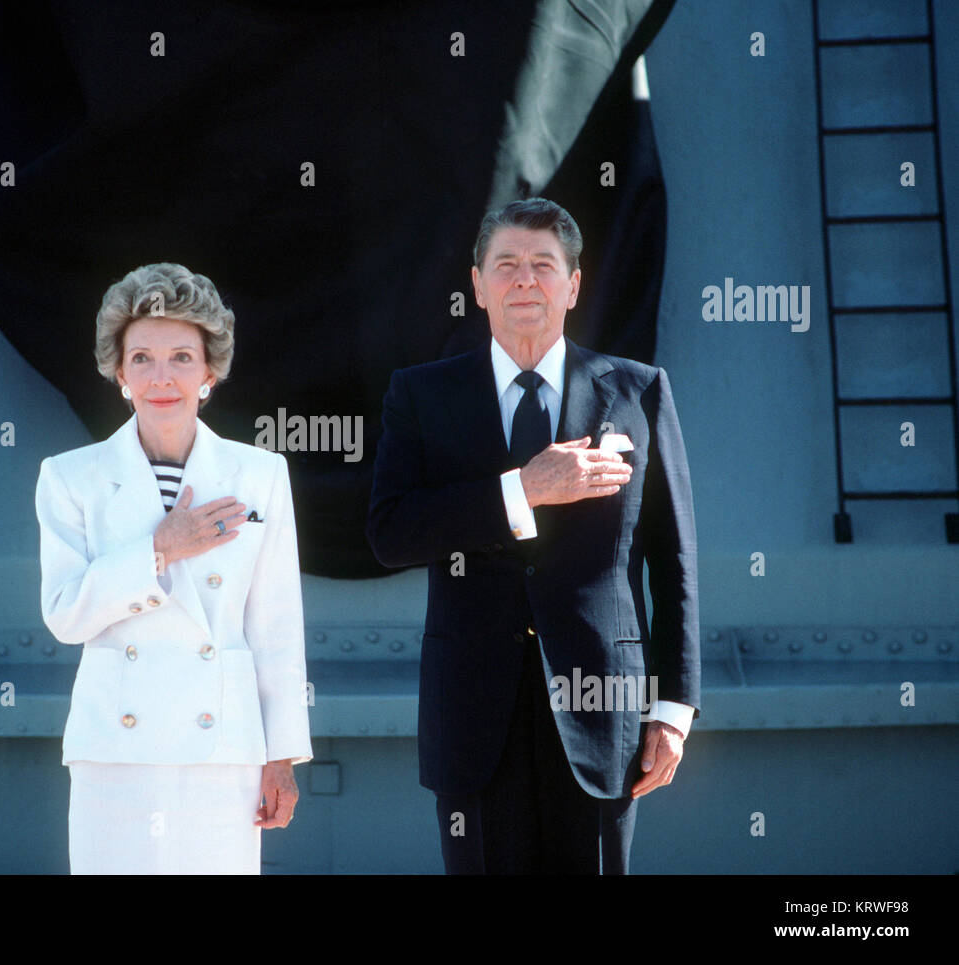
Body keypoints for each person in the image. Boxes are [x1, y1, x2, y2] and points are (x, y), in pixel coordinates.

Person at [366, 198, 700, 874]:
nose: (525, 280)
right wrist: (522, 490)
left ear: (573, 285)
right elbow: (390, 532)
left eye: (543, 265)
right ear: (477, 284)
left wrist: (673, 705)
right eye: (507, 265)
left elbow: (674, 560)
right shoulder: (421, 395)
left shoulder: (639, 392)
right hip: (472, 720)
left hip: (604, 716)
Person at [35, 263, 312, 874]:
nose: (163, 378)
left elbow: (276, 629)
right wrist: (158, 550)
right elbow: (64, 613)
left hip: (224, 753)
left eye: (182, 357)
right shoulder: (69, 477)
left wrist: (283, 757)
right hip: (115, 752)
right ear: (119, 373)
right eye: (142, 359)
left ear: (210, 371)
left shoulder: (260, 475)